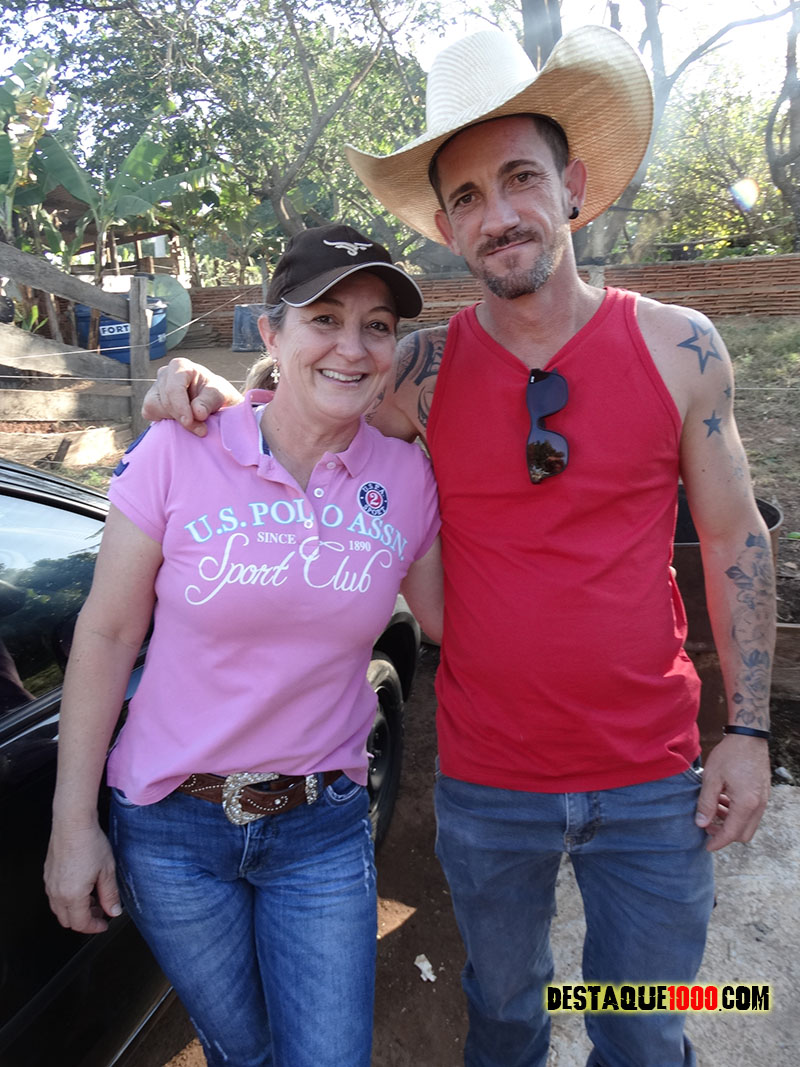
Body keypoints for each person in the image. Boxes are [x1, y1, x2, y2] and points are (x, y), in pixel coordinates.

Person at [142, 26, 776, 1067]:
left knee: (642, 1020)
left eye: (520, 177)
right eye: (469, 196)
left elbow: (732, 533)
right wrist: (208, 392)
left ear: (571, 187)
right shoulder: (416, 374)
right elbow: (302, 404)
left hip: (651, 774)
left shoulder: (679, 347)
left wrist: (746, 730)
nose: (499, 213)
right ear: (445, 226)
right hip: (489, 779)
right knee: (505, 1011)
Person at [44, 224, 443, 1067]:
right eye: (324, 318)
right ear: (271, 332)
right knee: (242, 1052)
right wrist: (71, 823)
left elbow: (449, 621)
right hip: (172, 830)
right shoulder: (180, 446)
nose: (352, 346)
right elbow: (107, 633)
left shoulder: (406, 479)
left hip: (320, 827)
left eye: (376, 325)